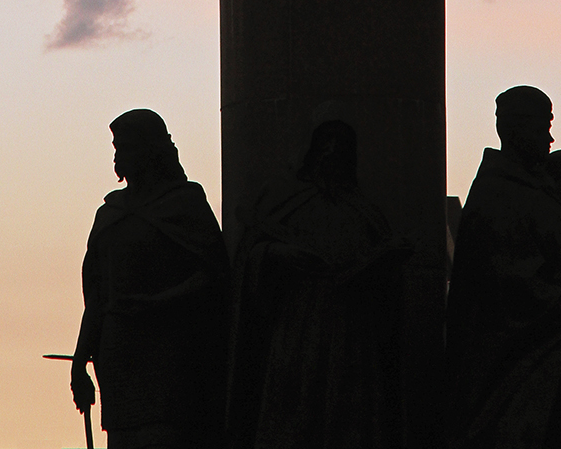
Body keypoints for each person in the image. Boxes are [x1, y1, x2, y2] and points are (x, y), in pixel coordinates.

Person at [225, 119, 410, 448]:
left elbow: (388, 292)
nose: (332, 151)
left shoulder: (363, 211)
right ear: (309, 147)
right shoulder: (284, 202)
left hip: (350, 331)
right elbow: (249, 258)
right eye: (325, 141)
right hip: (297, 326)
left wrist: (381, 262)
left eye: (340, 143)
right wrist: (278, 253)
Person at [445, 89, 561, 449]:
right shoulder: (498, 194)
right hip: (516, 373)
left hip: (552, 362)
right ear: (515, 130)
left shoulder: (534, 191)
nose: (550, 139)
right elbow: (508, 285)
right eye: (543, 128)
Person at [71, 109, 229, 449]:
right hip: (120, 354)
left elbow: (213, 277)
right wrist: (79, 363)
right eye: (116, 147)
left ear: (150, 150)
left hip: (170, 352)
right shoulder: (109, 215)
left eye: (125, 147)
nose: (118, 156)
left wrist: (158, 303)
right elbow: (97, 299)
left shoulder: (184, 204)